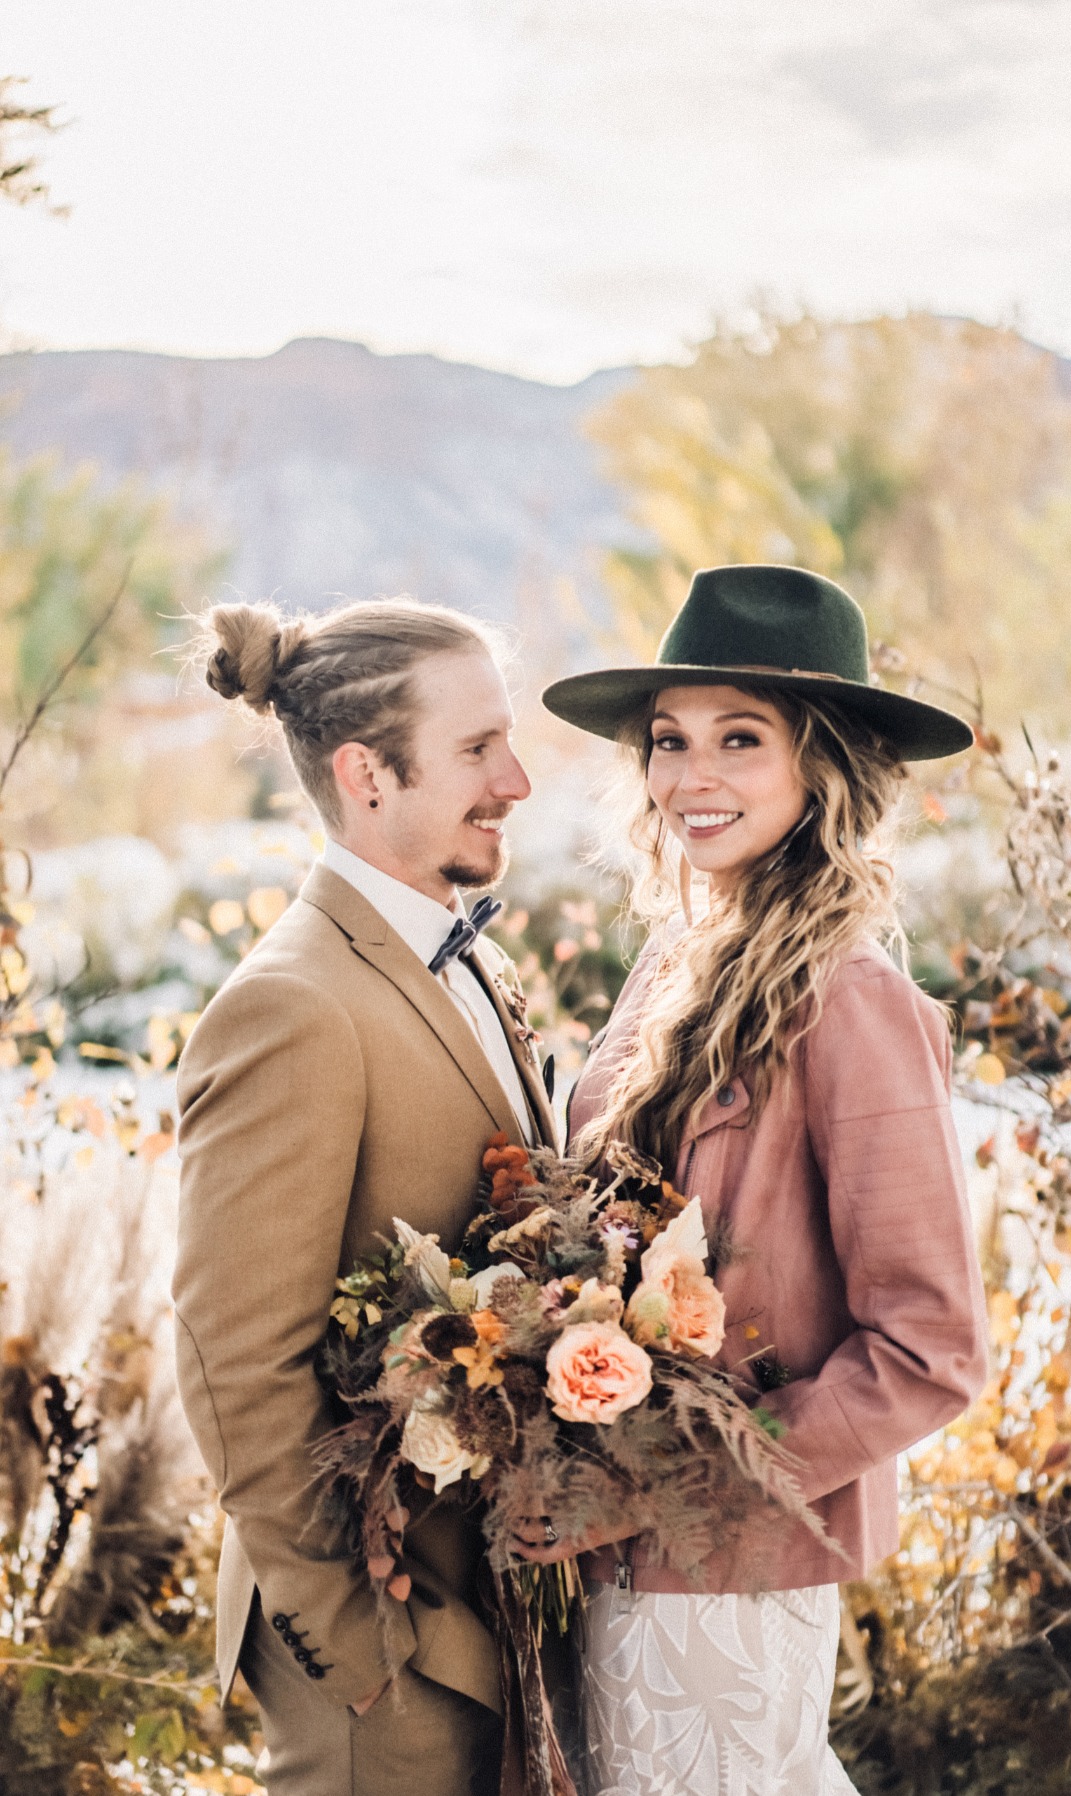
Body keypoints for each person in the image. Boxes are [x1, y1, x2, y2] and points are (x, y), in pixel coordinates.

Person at [527, 564, 990, 1796]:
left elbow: (932, 1350)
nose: (693, 775)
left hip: (726, 1577)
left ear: (823, 765)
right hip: (612, 1563)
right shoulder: (674, 970)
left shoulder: (853, 1001)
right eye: (669, 740)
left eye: (742, 737)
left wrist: (648, 1486)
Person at [173, 596, 556, 1796]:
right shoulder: (292, 1004)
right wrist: (358, 1642)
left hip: (490, 1617)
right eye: (479, 750)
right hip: (389, 1658)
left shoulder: (468, 952)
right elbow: (234, 1358)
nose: (520, 779)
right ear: (367, 774)